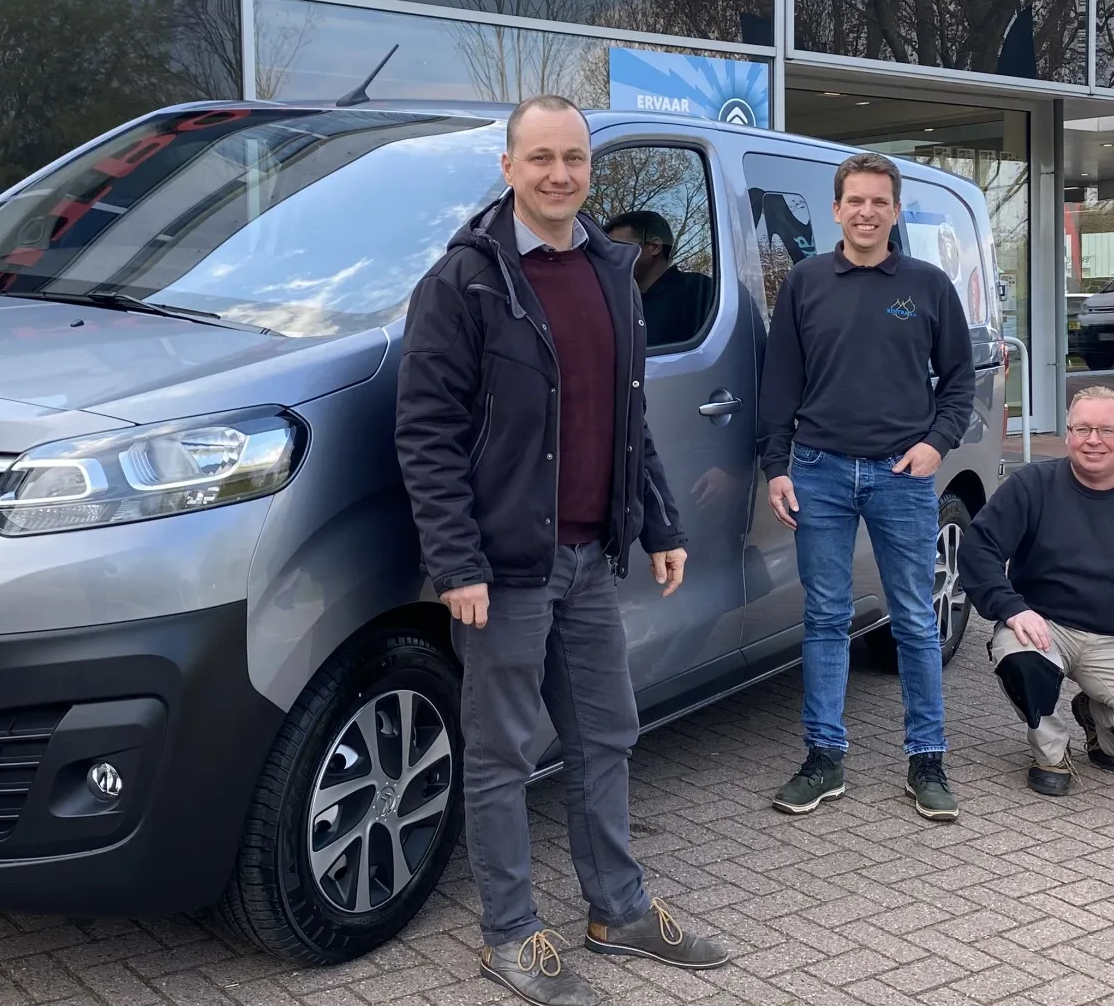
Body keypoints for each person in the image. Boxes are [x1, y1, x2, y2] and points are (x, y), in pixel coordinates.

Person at [394, 94, 731, 1006]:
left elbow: (631, 421)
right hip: (503, 570)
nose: (558, 174)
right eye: (539, 158)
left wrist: (660, 523)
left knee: (606, 735)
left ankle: (615, 908)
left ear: (591, 168)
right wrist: (455, 560)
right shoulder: (463, 282)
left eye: (573, 158)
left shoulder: (611, 270)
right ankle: (509, 934)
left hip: (590, 558)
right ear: (508, 169)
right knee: (502, 754)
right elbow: (425, 432)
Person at [758, 151, 976, 822]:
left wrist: (933, 445)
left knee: (912, 618)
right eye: (855, 200)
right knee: (825, 619)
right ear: (835, 209)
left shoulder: (928, 285)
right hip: (819, 472)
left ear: (893, 209)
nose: (866, 211)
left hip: (899, 476)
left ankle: (927, 761)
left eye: (879, 201)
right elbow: (780, 383)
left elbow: (960, 383)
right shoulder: (804, 282)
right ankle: (824, 758)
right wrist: (777, 467)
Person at [957, 385, 1114, 796]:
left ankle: (1097, 721)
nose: (1093, 440)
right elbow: (977, 549)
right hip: (1043, 627)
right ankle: (1051, 754)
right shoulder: (1032, 486)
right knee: (1020, 657)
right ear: (1068, 435)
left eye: (1105, 430)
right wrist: (1010, 607)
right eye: (1082, 428)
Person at [603, 210, 714, 346]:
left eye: (619, 248)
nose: (611, 258)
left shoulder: (697, 291)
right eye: (608, 252)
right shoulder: (619, 302)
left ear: (654, 247)